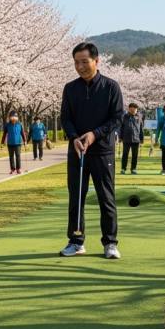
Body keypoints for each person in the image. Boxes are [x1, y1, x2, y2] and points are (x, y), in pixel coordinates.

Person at [59, 42, 124, 259]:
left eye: (84, 62)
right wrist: (74, 137)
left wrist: (95, 134)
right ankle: (76, 241)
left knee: (106, 197)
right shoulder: (70, 88)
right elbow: (65, 118)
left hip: (103, 152)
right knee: (76, 197)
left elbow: (116, 118)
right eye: (76, 62)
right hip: (77, 151)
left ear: (96, 61)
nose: (80, 67)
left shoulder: (111, 87)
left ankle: (110, 243)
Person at [119, 103, 143, 175]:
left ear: (136, 109)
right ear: (129, 109)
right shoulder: (124, 117)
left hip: (136, 139)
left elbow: (141, 129)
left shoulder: (139, 117)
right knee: (125, 154)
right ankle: (123, 168)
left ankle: (133, 169)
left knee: (135, 155)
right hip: (126, 139)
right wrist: (120, 137)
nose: (133, 110)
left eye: (135, 109)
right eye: (132, 109)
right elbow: (121, 128)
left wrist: (141, 138)